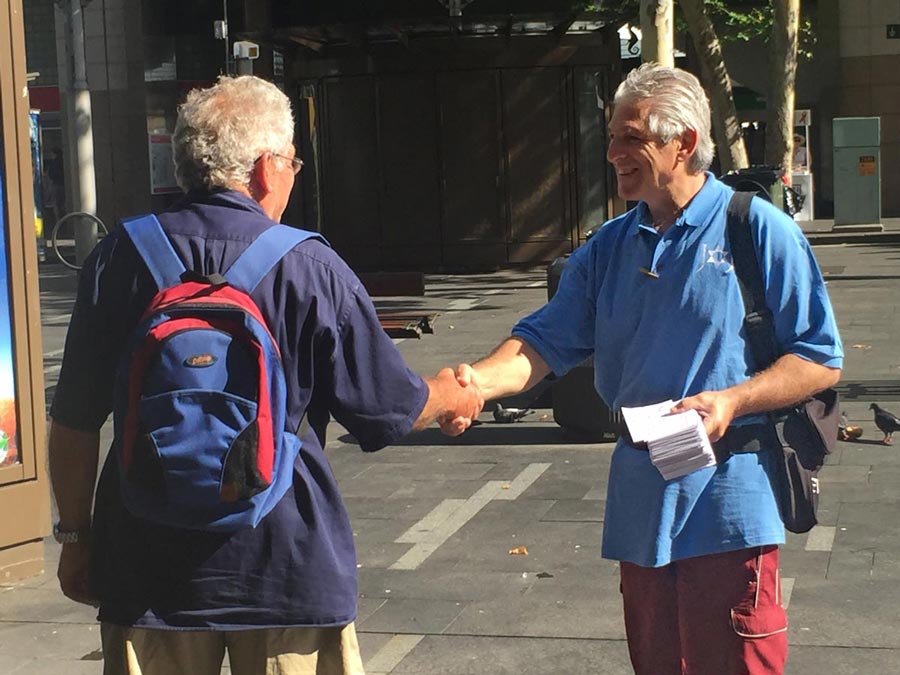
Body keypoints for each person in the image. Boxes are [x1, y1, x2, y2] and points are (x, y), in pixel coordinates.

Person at [48, 75, 481, 675]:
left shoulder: (119, 256)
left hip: (146, 569)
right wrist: (456, 393)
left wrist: (75, 538)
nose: (293, 177)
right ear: (264, 168)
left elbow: (73, 419)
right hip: (286, 567)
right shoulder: (310, 264)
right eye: (293, 163)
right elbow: (388, 409)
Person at [446, 64, 842, 674]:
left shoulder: (757, 229)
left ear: (682, 142)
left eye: (631, 138)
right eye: (612, 137)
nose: (613, 154)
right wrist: (472, 385)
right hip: (642, 504)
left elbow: (818, 357)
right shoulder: (607, 245)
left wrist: (732, 400)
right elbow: (542, 343)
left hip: (730, 498)